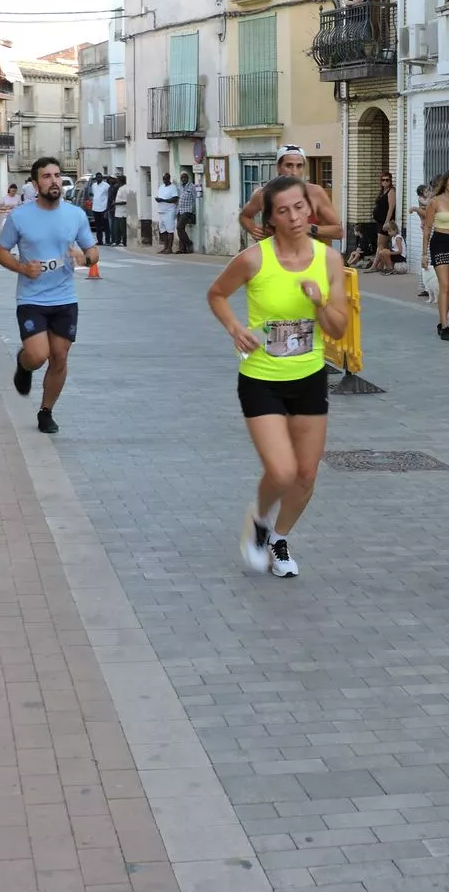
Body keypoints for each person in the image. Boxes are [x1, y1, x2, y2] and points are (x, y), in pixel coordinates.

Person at [206, 175, 347, 580]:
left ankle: (279, 538)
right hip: (261, 377)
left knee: (306, 475)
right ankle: (260, 520)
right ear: (270, 218)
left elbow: (337, 330)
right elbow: (216, 294)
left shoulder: (329, 261)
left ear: (311, 208)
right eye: (283, 211)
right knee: (282, 471)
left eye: (300, 207)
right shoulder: (254, 259)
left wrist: (319, 302)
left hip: (309, 376)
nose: (294, 217)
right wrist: (235, 328)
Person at [0, 158, 98, 435]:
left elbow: (93, 251)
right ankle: (24, 363)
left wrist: (85, 256)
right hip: (32, 298)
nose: (53, 181)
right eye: (46, 176)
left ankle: (46, 411)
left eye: (56, 175)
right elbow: (0, 252)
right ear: (35, 182)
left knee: (60, 357)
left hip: (65, 298)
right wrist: (22, 267)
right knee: (38, 355)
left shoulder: (75, 215)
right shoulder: (19, 216)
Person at [239, 146, 345, 245]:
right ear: (278, 167)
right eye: (289, 165)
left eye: (299, 166)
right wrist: (254, 230)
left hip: (312, 259)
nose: (294, 172)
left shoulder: (315, 192)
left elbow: (339, 231)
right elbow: (244, 216)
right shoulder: (263, 194)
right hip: (277, 258)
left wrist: (310, 228)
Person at [423, 171, 449, 340]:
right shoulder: (434, 202)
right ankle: (446, 325)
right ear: (445, 184)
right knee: (445, 285)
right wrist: (424, 254)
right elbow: (427, 228)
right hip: (439, 243)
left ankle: (442, 322)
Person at [154, 172, 179, 254]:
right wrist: (158, 199)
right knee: (162, 230)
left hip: (169, 211)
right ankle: (165, 247)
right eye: (163, 179)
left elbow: (175, 199)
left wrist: (163, 200)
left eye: (166, 179)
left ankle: (169, 248)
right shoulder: (161, 187)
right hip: (161, 211)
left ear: (169, 178)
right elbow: (160, 196)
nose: (164, 180)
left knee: (170, 230)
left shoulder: (173, 187)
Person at [372, 172, 396, 256]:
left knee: (381, 244)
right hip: (379, 221)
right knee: (382, 245)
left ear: (390, 181)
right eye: (383, 180)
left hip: (385, 221)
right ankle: (381, 265)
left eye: (387, 180)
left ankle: (375, 266)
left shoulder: (391, 191)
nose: (385, 182)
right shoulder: (382, 191)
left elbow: (391, 208)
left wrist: (386, 222)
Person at [177, 171, 198, 253]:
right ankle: (182, 249)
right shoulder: (180, 187)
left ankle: (189, 243)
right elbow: (179, 198)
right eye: (182, 178)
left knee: (179, 227)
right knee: (179, 230)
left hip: (188, 210)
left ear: (188, 178)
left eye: (185, 177)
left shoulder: (192, 186)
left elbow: (195, 198)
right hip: (180, 210)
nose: (183, 179)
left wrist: (193, 211)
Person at [89, 171, 111, 246]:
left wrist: (107, 209)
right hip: (95, 208)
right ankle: (100, 241)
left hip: (103, 208)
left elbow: (108, 197)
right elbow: (94, 195)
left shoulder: (106, 186)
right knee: (98, 226)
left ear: (102, 178)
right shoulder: (93, 185)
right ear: (96, 178)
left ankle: (108, 240)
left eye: (100, 177)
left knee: (106, 226)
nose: (98, 178)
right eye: (97, 177)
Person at [112, 173, 131, 247]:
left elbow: (125, 201)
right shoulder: (120, 188)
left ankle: (124, 242)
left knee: (123, 229)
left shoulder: (126, 188)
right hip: (118, 212)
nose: (117, 182)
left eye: (118, 180)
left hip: (123, 212)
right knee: (116, 228)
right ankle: (117, 241)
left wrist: (116, 203)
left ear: (121, 181)